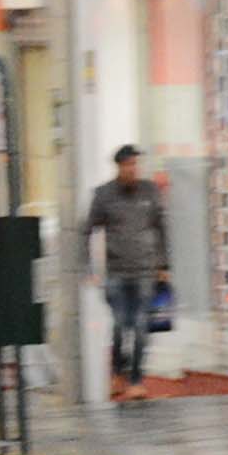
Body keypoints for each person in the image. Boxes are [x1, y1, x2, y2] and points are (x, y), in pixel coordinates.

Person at [83, 142, 168, 397]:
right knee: (121, 324)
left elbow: (162, 229)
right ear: (119, 166)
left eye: (136, 164)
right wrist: (88, 268)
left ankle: (135, 380)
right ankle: (118, 372)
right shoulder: (104, 194)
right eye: (129, 164)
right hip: (116, 273)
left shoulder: (150, 191)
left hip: (145, 271)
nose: (134, 169)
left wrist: (164, 265)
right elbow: (87, 230)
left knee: (142, 325)